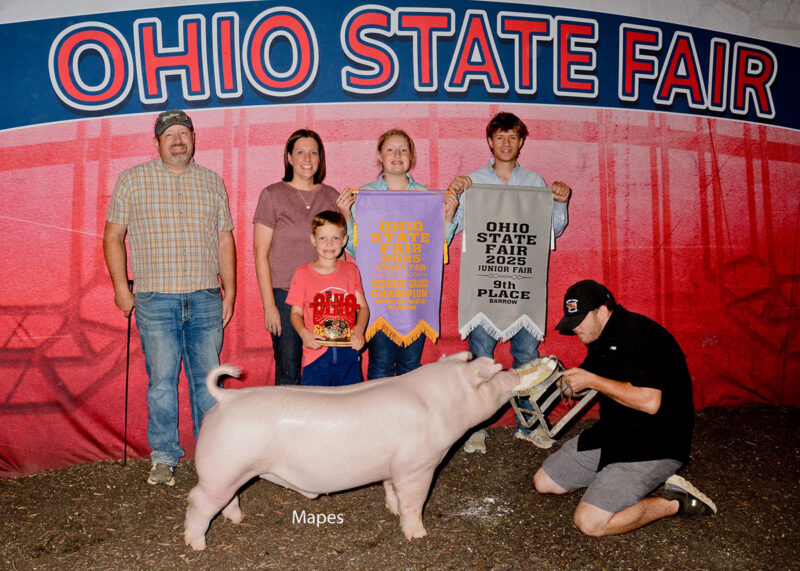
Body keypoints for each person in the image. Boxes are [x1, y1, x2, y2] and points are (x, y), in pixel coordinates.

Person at [103, 109, 236, 486]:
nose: (178, 140)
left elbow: (225, 237)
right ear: (157, 142)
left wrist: (231, 290)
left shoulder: (212, 182)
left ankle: (213, 454)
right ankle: (164, 456)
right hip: (155, 299)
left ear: (194, 138)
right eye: (169, 135)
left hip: (205, 297)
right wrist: (119, 288)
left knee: (208, 380)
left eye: (184, 133)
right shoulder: (133, 180)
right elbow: (113, 236)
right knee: (161, 381)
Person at [533, 279, 716, 536]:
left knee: (590, 523)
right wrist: (561, 382)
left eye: (580, 320)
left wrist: (593, 381)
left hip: (654, 443)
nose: (575, 329)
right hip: (614, 432)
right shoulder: (601, 335)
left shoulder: (642, 336)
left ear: (602, 310)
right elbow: (588, 380)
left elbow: (650, 402)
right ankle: (610, 486)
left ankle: (677, 502)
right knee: (544, 482)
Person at [448, 111, 571, 451]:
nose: (506, 143)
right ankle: (475, 428)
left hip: (522, 286)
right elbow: (453, 227)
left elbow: (552, 230)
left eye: (512, 137)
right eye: (499, 137)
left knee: (527, 357)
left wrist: (560, 202)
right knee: (481, 358)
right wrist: (454, 197)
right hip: (485, 284)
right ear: (490, 141)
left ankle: (529, 424)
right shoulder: (471, 181)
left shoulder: (534, 182)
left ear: (521, 142)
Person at [336, 129, 459, 379]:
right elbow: (356, 250)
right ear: (379, 156)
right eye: (390, 149)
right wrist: (346, 215)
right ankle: (379, 419)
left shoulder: (427, 197)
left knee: (410, 368)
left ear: (411, 156)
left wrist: (448, 216)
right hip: (378, 297)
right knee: (380, 365)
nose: (397, 155)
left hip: (414, 298)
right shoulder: (365, 196)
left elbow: (436, 248)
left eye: (403, 149)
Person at [253, 129, 340, 385]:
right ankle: (286, 425)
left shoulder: (332, 196)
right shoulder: (272, 195)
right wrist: (269, 305)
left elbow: (341, 250)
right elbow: (260, 253)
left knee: (328, 365)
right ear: (289, 157)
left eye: (313, 152)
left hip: (325, 295)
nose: (307, 158)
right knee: (288, 369)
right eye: (300, 152)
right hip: (285, 294)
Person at [286, 211, 369, 385]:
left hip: (348, 353)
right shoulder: (302, 273)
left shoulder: (351, 270)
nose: (329, 243)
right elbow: (295, 314)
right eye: (322, 238)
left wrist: (359, 330)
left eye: (335, 238)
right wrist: (304, 334)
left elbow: (363, 307)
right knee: (316, 406)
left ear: (345, 240)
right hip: (316, 354)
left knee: (350, 404)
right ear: (313, 239)